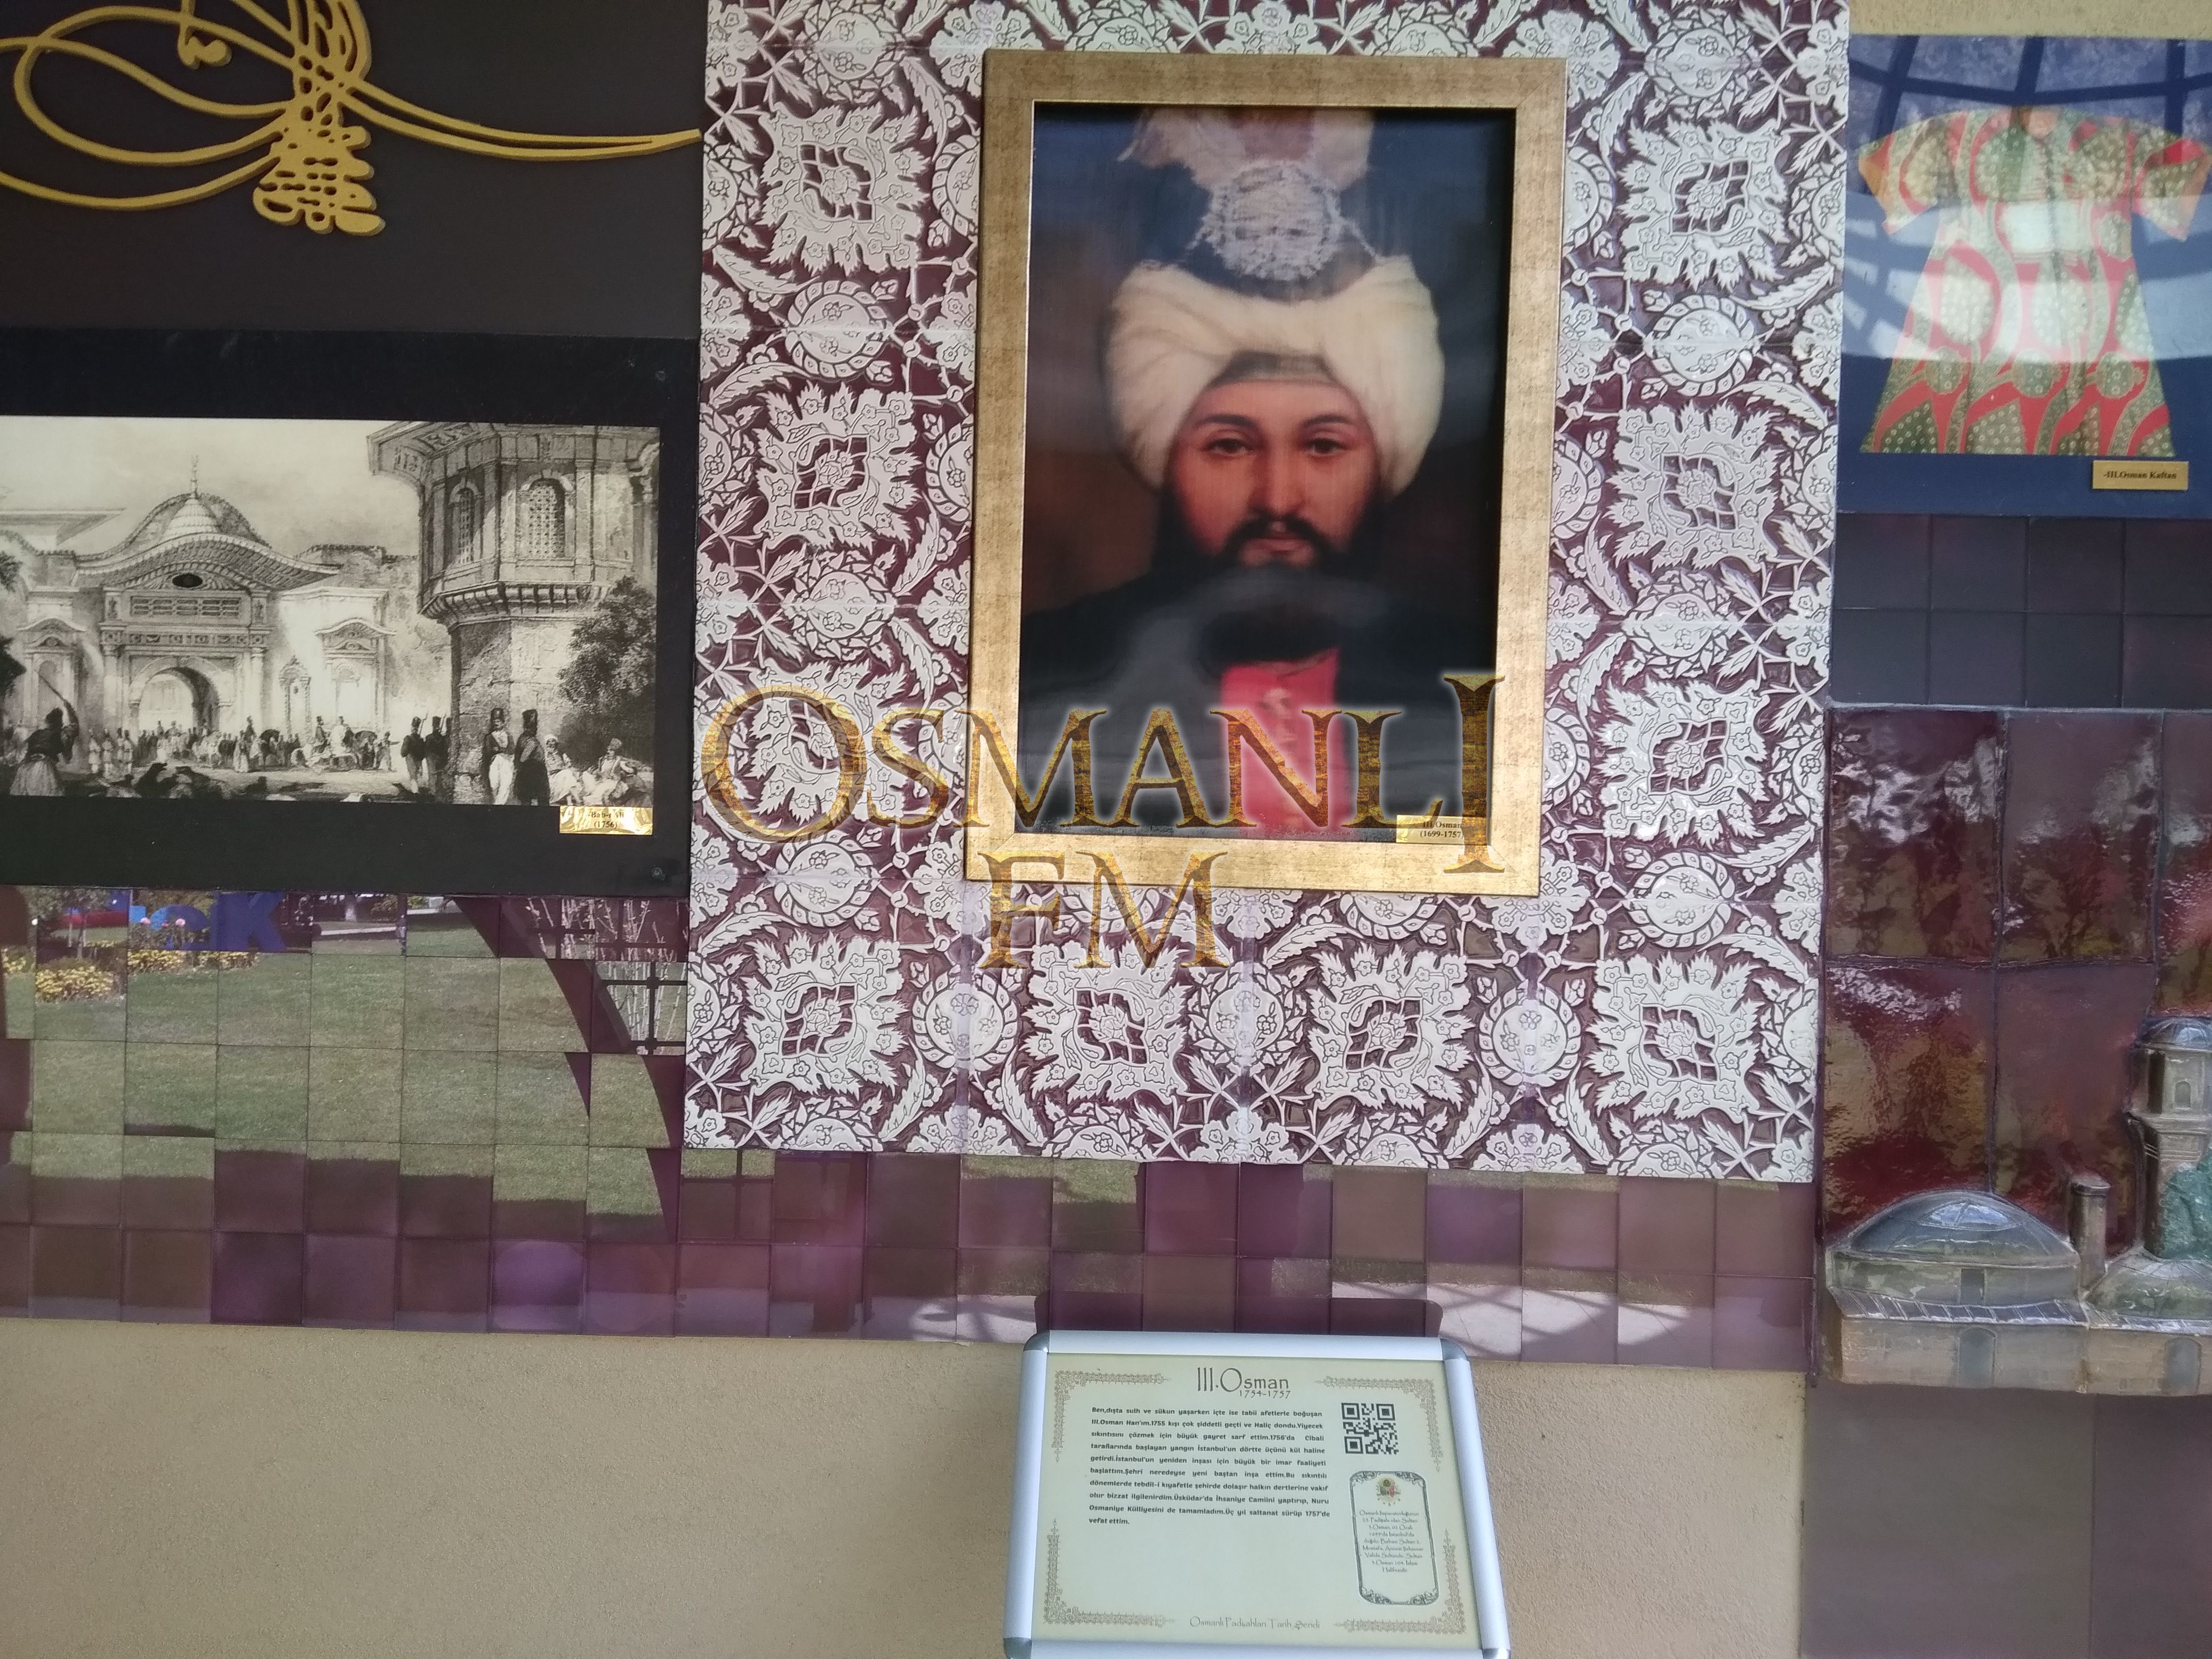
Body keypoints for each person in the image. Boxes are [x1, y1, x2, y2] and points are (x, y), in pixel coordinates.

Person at [1016, 107, 1477, 838]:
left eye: (1323, 447)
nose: (1277, 499)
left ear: (1382, 459)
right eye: (1229, 446)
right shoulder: (1036, 682)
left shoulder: (1471, 696)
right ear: (1164, 456)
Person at [11, 707, 77, 795]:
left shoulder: (38, 733)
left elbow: (24, 749)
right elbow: (67, 758)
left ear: (48, 722)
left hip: (25, 769)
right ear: (60, 723)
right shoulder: (60, 735)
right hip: (42, 768)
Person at [513, 709, 551, 806]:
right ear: (527, 727)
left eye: (535, 727)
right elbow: (523, 758)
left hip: (532, 773)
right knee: (536, 800)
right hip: (532, 773)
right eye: (532, 727)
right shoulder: (529, 740)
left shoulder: (525, 738)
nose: (535, 730)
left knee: (532, 801)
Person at [480, 707, 516, 804]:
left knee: (505, 785)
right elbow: (488, 751)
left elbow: (512, 750)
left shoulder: (508, 735)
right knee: (494, 785)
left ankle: (499, 804)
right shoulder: (489, 737)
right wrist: (496, 751)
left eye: (498, 721)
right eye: (495, 722)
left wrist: (500, 750)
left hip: (506, 763)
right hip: (494, 763)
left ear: (503, 723)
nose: (496, 724)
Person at [543, 735, 582, 804]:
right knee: (567, 775)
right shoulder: (545, 755)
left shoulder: (561, 754)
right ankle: (575, 800)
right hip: (551, 778)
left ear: (556, 743)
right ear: (547, 744)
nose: (551, 743)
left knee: (568, 775)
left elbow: (569, 765)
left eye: (553, 741)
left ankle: (572, 801)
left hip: (562, 776)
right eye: (549, 742)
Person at [424, 716, 450, 799]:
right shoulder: (442, 738)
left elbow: (427, 749)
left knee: (433, 775)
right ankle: (437, 792)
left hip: (432, 759)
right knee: (439, 775)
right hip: (440, 759)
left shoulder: (429, 737)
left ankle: (433, 792)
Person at [400, 717, 426, 791]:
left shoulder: (408, 738)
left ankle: (415, 791)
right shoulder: (421, 740)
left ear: (412, 728)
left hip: (411, 759)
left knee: (413, 775)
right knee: (417, 774)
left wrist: (404, 754)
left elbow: (403, 752)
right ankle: (416, 789)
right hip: (419, 760)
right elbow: (423, 753)